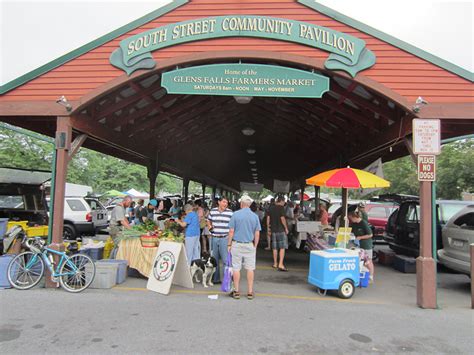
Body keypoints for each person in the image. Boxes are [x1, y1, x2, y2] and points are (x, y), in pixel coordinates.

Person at [227, 195, 261, 300]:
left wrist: (229, 244)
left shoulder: (235, 215)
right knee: (250, 268)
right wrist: (255, 244)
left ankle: (236, 291)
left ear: (241, 204)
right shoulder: (254, 216)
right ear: (250, 205)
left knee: (236, 268)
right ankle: (250, 292)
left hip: (236, 244)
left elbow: (231, 231)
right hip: (249, 245)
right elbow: (257, 232)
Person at [207, 196, 233, 284]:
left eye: (226, 202)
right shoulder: (213, 211)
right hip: (214, 238)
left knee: (226, 260)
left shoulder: (230, 213)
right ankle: (215, 279)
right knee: (214, 259)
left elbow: (233, 226)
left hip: (224, 238)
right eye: (224, 202)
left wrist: (230, 239)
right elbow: (208, 220)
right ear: (219, 202)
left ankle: (227, 279)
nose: (225, 204)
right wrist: (210, 227)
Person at [348, 211, 375, 282]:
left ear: (355, 217)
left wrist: (360, 237)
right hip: (358, 245)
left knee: (368, 261)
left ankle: (371, 276)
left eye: (351, 218)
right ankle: (362, 275)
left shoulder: (363, 223)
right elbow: (352, 232)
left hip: (366, 245)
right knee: (360, 261)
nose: (351, 220)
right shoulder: (354, 224)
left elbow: (370, 234)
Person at [267, 196, 289, 271]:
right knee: (282, 248)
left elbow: (268, 219)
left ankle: (275, 263)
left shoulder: (271, 208)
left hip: (273, 230)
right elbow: (282, 218)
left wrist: (268, 229)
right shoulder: (281, 208)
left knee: (274, 248)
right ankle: (280, 264)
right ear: (282, 201)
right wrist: (286, 228)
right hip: (281, 230)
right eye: (284, 201)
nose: (284, 203)